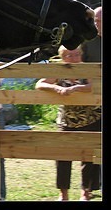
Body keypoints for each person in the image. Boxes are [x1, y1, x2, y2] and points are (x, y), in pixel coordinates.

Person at [35, 45, 101, 201]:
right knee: (62, 156)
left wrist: (77, 88)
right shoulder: (59, 70)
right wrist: (56, 88)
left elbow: (94, 85)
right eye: (69, 55)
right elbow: (40, 84)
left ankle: (86, 191)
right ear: (62, 57)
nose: (74, 58)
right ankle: (63, 193)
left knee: (90, 156)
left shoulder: (87, 69)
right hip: (67, 119)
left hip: (90, 118)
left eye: (77, 54)